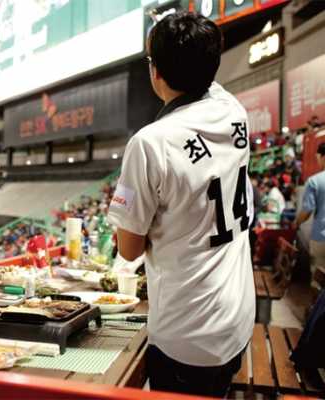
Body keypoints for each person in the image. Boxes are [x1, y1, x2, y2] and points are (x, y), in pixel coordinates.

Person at [107, 11, 254, 397]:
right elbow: (204, 70)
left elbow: (128, 249)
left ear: (156, 71)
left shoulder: (150, 143)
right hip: (236, 317)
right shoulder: (233, 111)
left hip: (188, 333)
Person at [294, 142, 325, 291]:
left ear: (322, 156)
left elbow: (307, 211)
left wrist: (296, 223)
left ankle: (318, 313)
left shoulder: (314, 181)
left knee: (318, 280)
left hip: (321, 238)